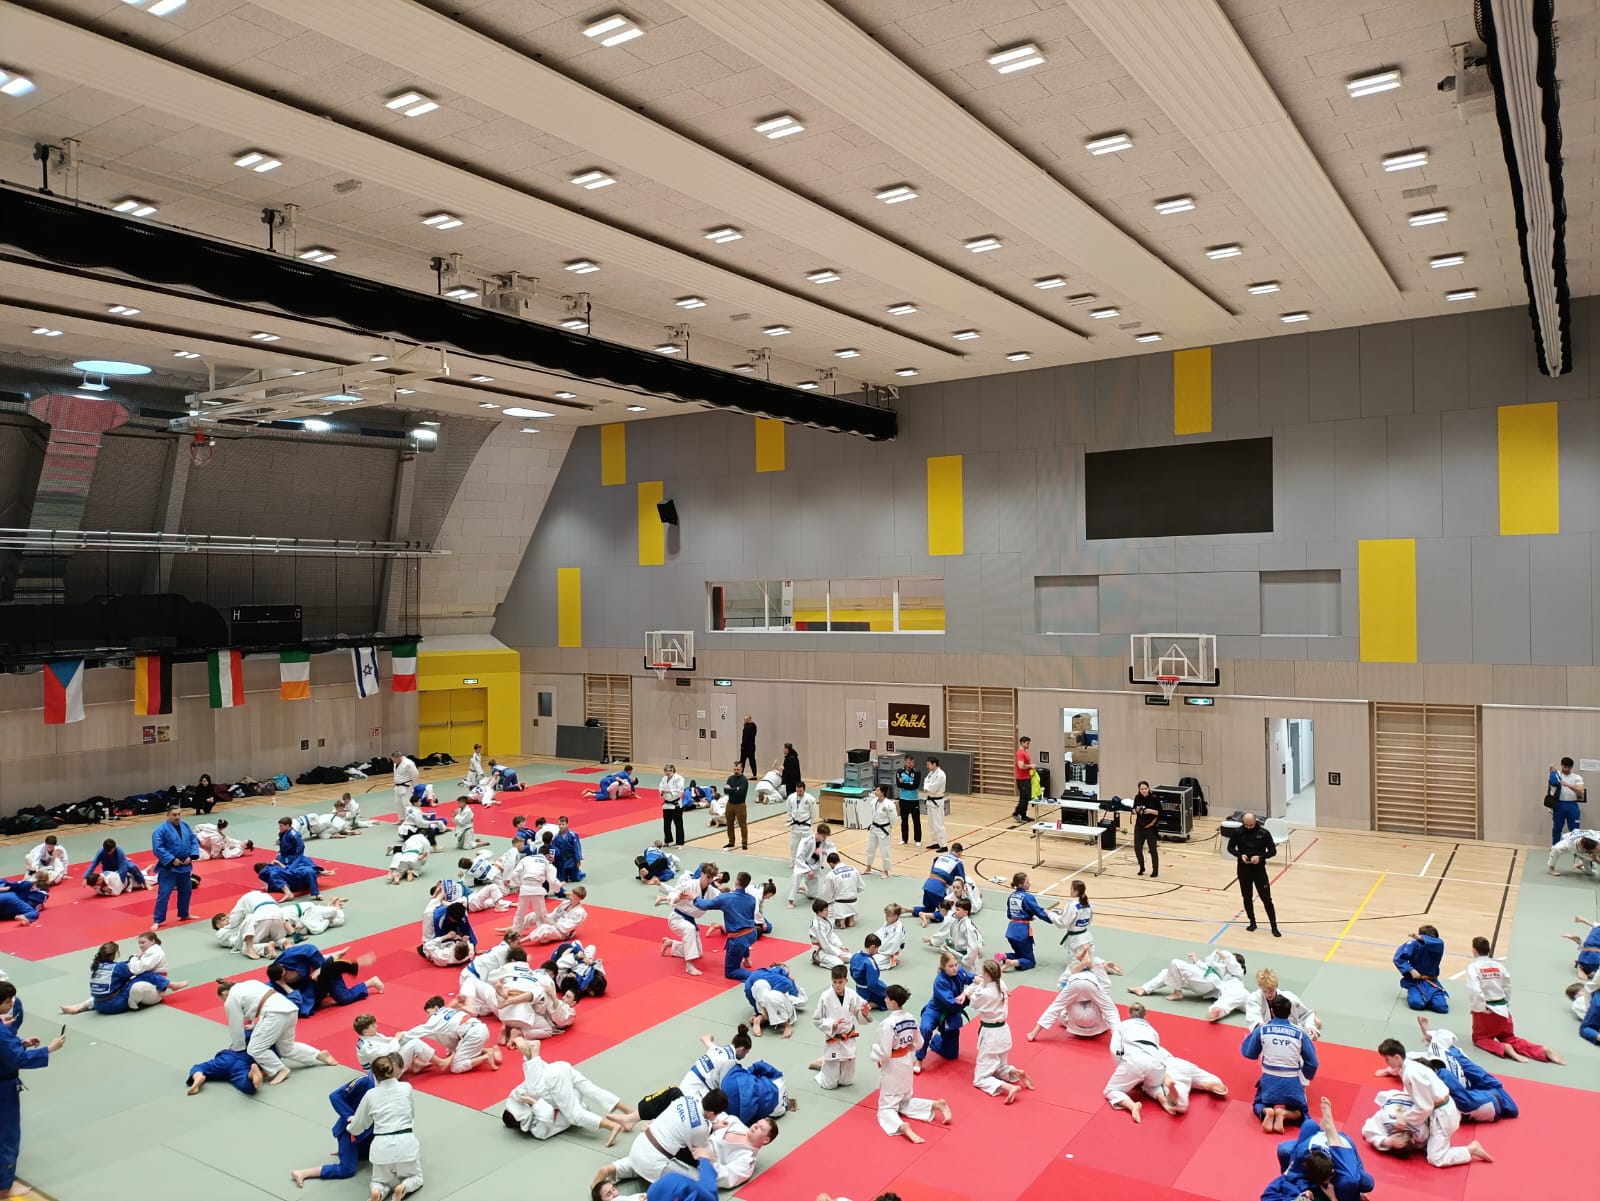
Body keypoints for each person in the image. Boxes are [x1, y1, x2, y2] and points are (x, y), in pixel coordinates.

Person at [1369, 1038, 1492, 1166]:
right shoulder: (1409, 1064)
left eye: (1387, 1059)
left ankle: (1471, 1149)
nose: (1386, 1063)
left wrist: (1404, 1119)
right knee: (1427, 1144)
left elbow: (1425, 1107)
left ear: (1397, 1057)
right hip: (1441, 1108)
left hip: (1443, 1114)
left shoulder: (1411, 1074)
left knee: (1435, 1158)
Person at [502, 1036, 637, 1143]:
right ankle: (630, 1113)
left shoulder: (526, 1102)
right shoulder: (536, 1128)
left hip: (554, 1077)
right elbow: (547, 1111)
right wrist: (532, 1101)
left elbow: (545, 1105)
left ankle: (613, 1126)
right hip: (559, 1071)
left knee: (572, 1113)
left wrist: (532, 1101)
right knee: (592, 1090)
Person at [0, 981, 63, 1199]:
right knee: (7, 1136)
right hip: (3, 1089)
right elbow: (17, 1059)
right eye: (7, 1002)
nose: (10, 1005)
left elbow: (6, 1051)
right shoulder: (1, 1032)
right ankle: (4, 1188)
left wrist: (22, 1044)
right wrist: (49, 1049)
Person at [595, 1089, 725, 1189]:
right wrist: (713, 1159)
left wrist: (713, 1126)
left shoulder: (686, 1099)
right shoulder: (700, 1128)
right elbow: (698, 1154)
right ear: (711, 1113)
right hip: (654, 1162)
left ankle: (615, 1168)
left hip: (639, 1145)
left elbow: (689, 1123)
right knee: (700, 1181)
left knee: (641, 1162)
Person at [217, 977, 337, 1084]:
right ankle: (319, 1054)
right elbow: (259, 1004)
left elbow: (235, 1025)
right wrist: (254, 1025)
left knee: (255, 1049)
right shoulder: (250, 983)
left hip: (274, 1014)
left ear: (224, 993)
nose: (224, 1002)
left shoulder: (231, 998)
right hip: (290, 1009)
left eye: (222, 999)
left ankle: (280, 1069)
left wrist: (238, 1047)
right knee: (286, 1048)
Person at [871, 984, 952, 1141]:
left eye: (887, 998)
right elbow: (919, 1043)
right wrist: (908, 1048)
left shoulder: (888, 1023)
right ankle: (935, 1105)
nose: (885, 1000)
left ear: (893, 1002)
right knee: (903, 1102)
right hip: (907, 1062)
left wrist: (874, 1051)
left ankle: (902, 1126)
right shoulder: (910, 1017)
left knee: (886, 1108)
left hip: (893, 1067)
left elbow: (885, 1053)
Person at [1464, 936, 1562, 1062]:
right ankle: (1541, 1050)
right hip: (1503, 1011)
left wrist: (1480, 1008)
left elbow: (1474, 989)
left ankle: (1503, 1048)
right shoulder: (1499, 966)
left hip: (1486, 1012)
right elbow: (1507, 987)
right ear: (1488, 950)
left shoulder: (1474, 967)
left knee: (1479, 1039)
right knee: (1510, 1038)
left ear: (1474, 950)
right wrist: (1505, 1005)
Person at [1261, 1096, 1375, 1201]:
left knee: (1291, 1143)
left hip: (1319, 1146)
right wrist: (1333, 1197)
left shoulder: (1303, 1154)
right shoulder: (1345, 1168)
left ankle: (1326, 1129)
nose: (1326, 1182)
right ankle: (1329, 1129)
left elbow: (1269, 1193)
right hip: (1341, 1148)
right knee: (1356, 1182)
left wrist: (1301, 1188)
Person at [1405, 1018, 1519, 1121]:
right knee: (1507, 1104)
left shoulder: (1437, 1054)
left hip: (1470, 1088)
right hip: (1479, 1095)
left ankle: (1430, 1037)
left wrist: (1429, 1033)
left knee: (1459, 1062)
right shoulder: (1438, 1077)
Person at [345, 1051, 423, 1201]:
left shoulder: (370, 1095)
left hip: (381, 1146)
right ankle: (404, 1187)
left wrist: (351, 1128)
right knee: (416, 1177)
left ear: (374, 1075)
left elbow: (358, 1126)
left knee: (379, 1181)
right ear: (393, 1070)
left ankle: (378, 1192)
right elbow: (411, 1114)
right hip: (406, 1142)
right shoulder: (406, 1087)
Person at [289, 1068, 378, 1188]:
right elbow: (335, 1096)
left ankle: (344, 1150)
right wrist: (349, 1116)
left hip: (369, 1130)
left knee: (371, 1155)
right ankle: (303, 1172)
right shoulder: (365, 1081)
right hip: (350, 1131)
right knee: (347, 1170)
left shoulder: (391, 1086)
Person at [1243, 993, 1319, 1132]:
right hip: (1292, 1082)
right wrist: (1306, 1076)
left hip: (1268, 1081)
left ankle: (1266, 1111)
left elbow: (1249, 1053)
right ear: (1290, 1012)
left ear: (1272, 1011)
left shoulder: (1262, 1030)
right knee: (1302, 1112)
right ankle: (1285, 1114)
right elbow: (1313, 1063)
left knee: (1258, 1103)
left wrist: (1249, 1039)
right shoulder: (1300, 1033)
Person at [960, 959, 1033, 1103]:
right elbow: (981, 986)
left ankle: (1008, 1087)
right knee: (999, 1066)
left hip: (991, 1035)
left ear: (987, 974)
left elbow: (972, 1000)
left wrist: (970, 990)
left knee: (980, 1078)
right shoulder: (1002, 985)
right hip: (1004, 1032)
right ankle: (1014, 1072)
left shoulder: (985, 993)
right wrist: (980, 983)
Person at [59, 940, 185, 1015]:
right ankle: (170, 985)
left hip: (98, 1004)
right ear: (114, 955)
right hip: (114, 1005)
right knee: (145, 975)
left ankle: (78, 1007)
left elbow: (121, 969)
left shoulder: (96, 966)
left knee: (107, 990)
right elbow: (134, 970)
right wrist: (134, 957)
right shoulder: (118, 968)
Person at [1028, 944, 1122, 1041]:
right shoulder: (1097, 984)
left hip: (1075, 982)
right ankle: (1087, 964)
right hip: (1090, 985)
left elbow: (1056, 1004)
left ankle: (1084, 964)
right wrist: (1119, 1040)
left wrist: (1034, 1032)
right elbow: (1110, 1010)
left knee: (1059, 1005)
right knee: (1109, 1009)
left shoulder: (1073, 973)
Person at [1131, 948, 1249, 1022]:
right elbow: (1207, 968)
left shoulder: (1236, 975)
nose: (1223, 962)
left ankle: (1178, 992)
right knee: (1167, 972)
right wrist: (1196, 960)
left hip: (1208, 984)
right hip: (1206, 982)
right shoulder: (1221, 971)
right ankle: (1144, 989)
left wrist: (1224, 955)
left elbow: (1233, 966)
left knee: (1175, 963)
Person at [269, 943, 381, 1014]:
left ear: (282, 966)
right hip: (312, 987)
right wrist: (283, 984)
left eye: (286, 973)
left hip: (319, 974)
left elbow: (310, 949)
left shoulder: (288, 958)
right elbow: (296, 1002)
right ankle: (331, 958)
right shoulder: (276, 985)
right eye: (284, 978)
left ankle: (351, 964)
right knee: (344, 998)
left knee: (329, 970)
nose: (287, 977)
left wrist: (320, 968)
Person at [1104, 1001, 1167, 1123]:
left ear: (1129, 1013)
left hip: (1134, 1062)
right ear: (1145, 1015)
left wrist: (1122, 1064)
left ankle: (1132, 1106)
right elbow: (1157, 1049)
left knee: (1111, 1090)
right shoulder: (1153, 1030)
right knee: (1152, 1085)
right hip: (1157, 1065)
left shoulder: (1122, 1026)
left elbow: (1115, 1050)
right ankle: (1162, 1097)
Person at [811, 963, 871, 1090]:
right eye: (834, 982)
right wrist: (832, 1024)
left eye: (840, 982)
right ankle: (822, 1066)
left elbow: (859, 1012)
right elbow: (816, 1019)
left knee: (846, 1081)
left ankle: (824, 1062)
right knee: (829, 1085)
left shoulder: (852, 995)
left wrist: (865, 1013)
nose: (837, 985)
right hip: (834, 1038)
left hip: (848, 1038)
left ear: (846, 981)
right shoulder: (825, 997)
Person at [408, 996, 501, 1072]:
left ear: (436, 1008)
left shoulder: (436, 1018)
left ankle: (485, 1057)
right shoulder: (449, 1010)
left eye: (428, 1012)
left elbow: (419, 1031)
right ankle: (489, 1050)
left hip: (473, 1035)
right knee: (453, 1050)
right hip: (481, 1028)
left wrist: (403, 1035)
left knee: (456, 1066)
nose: (428, 1016)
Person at [694, 877, 760, 981]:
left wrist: (694, 898)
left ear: (736, 882)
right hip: (752, 934)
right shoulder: (752, 899)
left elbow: (704, 905)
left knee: (731, 971)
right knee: (743, 936)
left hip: (738, 940)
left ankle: (758, 977)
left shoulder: (726, 898)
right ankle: (746, 957)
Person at [1227, 812, 1281, 937]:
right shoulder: (1238, 832)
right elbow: (1230, 848)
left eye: (1251, 825)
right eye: (1246, 825)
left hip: (1259, 870)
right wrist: (1240, 855)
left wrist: (1260, 857)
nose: (1248, 827)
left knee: (1266, 899)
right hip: (1243, 869)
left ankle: (1274, 926)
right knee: (1247, 897)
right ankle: (1252, 922)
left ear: (1255, 821)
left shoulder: (1264, 833)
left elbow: (1273, 851)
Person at [918, 951, 973, 1066]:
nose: (955, 968)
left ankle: (934, 1040)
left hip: (951, 1014)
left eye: (956, 965)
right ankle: (919, 1059)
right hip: (935, 1010)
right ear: (943, 966)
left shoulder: (960, 972)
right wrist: (968, 998)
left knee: (952, 1054)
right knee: (926, 1028)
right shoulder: (940, 981)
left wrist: (980, 979)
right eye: (951, 966)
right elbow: (953, 1003)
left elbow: (972, 978)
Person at [151, 803, 201, 929]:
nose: (177, 817)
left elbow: (193, 840)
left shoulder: (185, 826)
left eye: (179, 814)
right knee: (164, 894)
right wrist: (172, 859)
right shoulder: (160, 831)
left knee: (186, 891)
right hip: (169, 868)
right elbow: (158, 848)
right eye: (174, 815)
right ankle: (158, 920)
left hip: (185, 865)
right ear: (167, 815)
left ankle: (184, 913)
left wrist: (192, 856)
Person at [660, 863, 714, 977]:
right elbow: (672, 893)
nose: (709, 880)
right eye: (708, 877)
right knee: (690, 929)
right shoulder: (689, 884)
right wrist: (677, 898)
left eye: (711, 878)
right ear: (702, 874)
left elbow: (721, 898)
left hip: (690, 920)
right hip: (677, 918)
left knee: (698, 953)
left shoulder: (710, 890)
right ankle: (689, 966)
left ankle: (671, 944)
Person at [999, 871, 1059, 972]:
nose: (1029, 884)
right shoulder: (1028, 897)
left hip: (1011, 931)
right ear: (1020, 884)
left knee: (1020, 954)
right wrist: (1054, 918)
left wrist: (1027, 917)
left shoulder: (1011, 896)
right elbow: (1039, 912)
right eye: (1027, 882)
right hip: (1022, 933)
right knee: (1030, 961)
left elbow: (1009, 915)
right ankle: (1011, 963)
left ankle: (1003, 956)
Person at [354, 1013, 447, 1077]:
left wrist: (400, 1038)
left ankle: (416, 1064)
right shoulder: (366, 1046)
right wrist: (396, 1039)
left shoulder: (370, 1036)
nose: (376, 1026)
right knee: (415, 1043)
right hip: (385, 1076)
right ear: (365, 1032)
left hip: (387, 1064)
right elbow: (386, 1054)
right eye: (373, 1026)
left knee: (405, 1036)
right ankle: (441, 1063)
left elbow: (388, 1042)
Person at [1245, 968, 1321, 1039]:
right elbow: (1254, 1020)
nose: (1268, 994)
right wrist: (1267, 1027)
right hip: (1267, 1035)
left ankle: (1314, 1017)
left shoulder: (1290, 998)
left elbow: (1306, 1015)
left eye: (1271, 990)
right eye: (1265, 991)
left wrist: (1310, 1027)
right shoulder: (1254, 999)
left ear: (1276, 986)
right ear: (1260, 987)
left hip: (1291, 1034)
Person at [1394, 926, 1449, 1012]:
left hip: (1431, 981)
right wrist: (1411, 970)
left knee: (1441, 1007)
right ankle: (1417, 995)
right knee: (1417, 1004)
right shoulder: (1414, 943)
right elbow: (1398, 958)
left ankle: (1431, 998)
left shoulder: (1438, 944)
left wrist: (1420, 937)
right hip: (1415, 982)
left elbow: (1438, 942)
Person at [923, 896, 983, 973]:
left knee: (966, 975)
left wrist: (966, 960)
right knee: (944, 949)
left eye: (958, 910)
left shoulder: (968, 926)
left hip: (966, 957)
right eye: (955, 909)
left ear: (965, 912)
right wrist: (950, 943)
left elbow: (973, 947)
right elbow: (956, 936)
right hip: (958, 951)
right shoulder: (957, 921)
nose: (955, 911)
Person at [744, 965, 806, 1038]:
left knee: (760, 986)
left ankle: (760, 1018)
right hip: (776, 1005)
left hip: (761, 1007)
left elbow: (751, 995)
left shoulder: (756, 978)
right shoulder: (779, 974)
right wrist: (792, 982)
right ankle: (786, 1025)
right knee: (771, 995)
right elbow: (789, 987)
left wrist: (756, 1012)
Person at [914, 844, 966, 925]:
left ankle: (906, 910)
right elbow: (962, 880)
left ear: (951, 850)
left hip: (927, 885)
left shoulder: (939, 857)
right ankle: (925, 915)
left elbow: (933, 872)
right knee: (946, 913)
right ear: (960, 853)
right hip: (937, 889)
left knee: (929, 909)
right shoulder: (957, 862)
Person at [186, 1043, 264, 1096]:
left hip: (227, 1057)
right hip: (245, 1063)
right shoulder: (266, 1040)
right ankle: (251, 1075)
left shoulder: (244, 1031)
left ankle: (198, 1077)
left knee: (199, 1068)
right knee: (247, 1086)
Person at [789, 823, 834, 908]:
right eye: (823, 836)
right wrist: (808, 870)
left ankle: (804, 889)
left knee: (813, 895)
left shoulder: (825, 843)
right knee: (796, 876)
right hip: (802, 866)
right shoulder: (806, 841)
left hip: (814, 868)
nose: (825, 839)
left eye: (826, 837)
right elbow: (799, 858)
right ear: (818, 833)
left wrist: (823, 851)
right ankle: (790, 901)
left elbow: (833, 852)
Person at [1549, 755, 1586, 844]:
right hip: (1559, 805)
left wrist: (1568, 785)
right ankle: (1555, 847)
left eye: (1568, 767)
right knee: (1557, 828)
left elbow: (1581, 791)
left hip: (1572, 805)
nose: (1566, 769)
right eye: (1564, 767)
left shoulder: (1577, 777)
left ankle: (1575, 848)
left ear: (1571, 767)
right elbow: (1552, 783)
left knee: (1575, 830)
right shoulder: (1556, 774)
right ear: (1561, 765)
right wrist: (1552, 771)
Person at [821, 853, 862, 927]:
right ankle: (851, 918)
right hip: (853, 902)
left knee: (826, 914)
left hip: (839, 904)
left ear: (831, 863)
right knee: (850, 905)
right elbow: (861, 887)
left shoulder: (831, 875)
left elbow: (827, 894)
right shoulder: (853, 869)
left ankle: (841, 920)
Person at [863, 784, 896, 878]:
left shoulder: (889, 804)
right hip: (874, 828)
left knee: (884, 851)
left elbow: (893, 818)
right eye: (876, 790)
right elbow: (873, 815)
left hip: (884, 829)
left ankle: (886, 871)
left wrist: (889, 828)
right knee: (870, 849)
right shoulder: (873, 801)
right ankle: (868, 867)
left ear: (883, 792)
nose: (875, 792)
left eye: (877, 790)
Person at [1132, 781, 1161, 878]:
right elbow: (1133, 809)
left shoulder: (1154, 798)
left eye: (1145, 788)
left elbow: (1160, 812)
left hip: (1151, 827)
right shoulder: (1137, 797)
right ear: (1139, 790)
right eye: (1142, 789)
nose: (1144, 790)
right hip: (1139, 827)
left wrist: (1151, 811)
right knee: (1137, 848)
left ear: (1148, 789)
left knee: (1152, 850)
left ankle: (1155, 870)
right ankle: (1142, 867)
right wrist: (1135, 810)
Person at [718, 763, 750, 852]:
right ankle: (731, 841)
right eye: (734, 769)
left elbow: (740, 793)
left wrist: (731, 789)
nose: (736, 771)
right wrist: (735, 789)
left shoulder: (744, 780)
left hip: (740, 805)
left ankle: (744, 843)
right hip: (730, 804)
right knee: (729, 824)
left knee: (742, 824)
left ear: (741, 769)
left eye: (738, 770)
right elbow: (725, 790)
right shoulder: (730, 778)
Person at [809, 899, 849, 969]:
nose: (828, 911)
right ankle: (818, 961)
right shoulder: (817, 926)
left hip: (829, 947)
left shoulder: (826, 919)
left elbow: (831, 934)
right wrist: (838, 954)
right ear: (819, 912)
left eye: (827, 909)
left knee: (849, 957)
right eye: (826, 910)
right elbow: (824, 944)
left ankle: (835, 957)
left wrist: (841, 946)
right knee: (839, 964)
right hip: (820, 951)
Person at [851, 935, 888, 1009]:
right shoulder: (869, 963)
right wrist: (885, 991)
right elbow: (873, 984)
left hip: (859, 990)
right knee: (890, 998)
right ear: (873, 947)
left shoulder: (855, 956)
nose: (877, 951)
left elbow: (852, 973)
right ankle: (872, 1004)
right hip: (869, 992)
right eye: (877, 948)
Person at [922, 756, 949, 852]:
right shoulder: (931, 773)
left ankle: (943, 845)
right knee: (931, 824)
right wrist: (927, 786)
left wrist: (927, 786)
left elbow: (933, 789)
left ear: (934, 764)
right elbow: (925, 783)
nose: (927, 766)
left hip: (937, 801)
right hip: (930, 801)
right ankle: (936, 842)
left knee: (938, 824)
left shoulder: (940, 775)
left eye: (928, 764)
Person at [786, 782, 815, 869]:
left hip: (806, 825)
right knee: (793, 845)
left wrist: (810, 822)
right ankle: (794, 861)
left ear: (804, 790)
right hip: (795, 825)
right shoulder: (791, 797)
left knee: (808, 845)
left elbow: (813, 812)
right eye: (797, 791)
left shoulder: (810, 799)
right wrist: (791, 817)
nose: (799, 793)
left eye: (801, 791)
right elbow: (789, 809)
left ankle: (807, 862)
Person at [1561, 913, 1600, 977]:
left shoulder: (1598, 926)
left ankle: (1579, 942)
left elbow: (1587, 921)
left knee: (1587, 947)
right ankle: (1580, 967)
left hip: (1588, 948)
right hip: (1593, 960)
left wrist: (1581, 919)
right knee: (1591, 972)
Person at [895, 755, 922, 846]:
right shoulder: (899, 772)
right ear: (905, 762)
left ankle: (917, 840)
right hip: (903, 799)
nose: (911, 764)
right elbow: (899, 784)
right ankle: (904, 839)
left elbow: (915, 786)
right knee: (904, 821)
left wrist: (905, 784)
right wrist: (909, 784)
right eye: (909, 762)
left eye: (912, 762)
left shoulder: (917, 772)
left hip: (914, 800)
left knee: (916, 821)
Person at [659, 764, 687, 847]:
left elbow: (680, 790)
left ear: (672, 771)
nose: (667, 773)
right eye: (665, 771)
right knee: (666, 824)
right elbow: (661, 787)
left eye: (668, 771)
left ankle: (680, 843)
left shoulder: (679, 778)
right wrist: (662, 791)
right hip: (666, 804)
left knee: (678, 824)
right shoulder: (664, 778)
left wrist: (669, 791)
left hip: (676, 805)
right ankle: (667, 841)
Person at [1010, 736, 1033, 823]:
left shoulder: (1025, 752)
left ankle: (1023, 816)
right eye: (1027, 743)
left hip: (1026, 778)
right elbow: (1021, 766)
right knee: (1026, 797)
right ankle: (1016, 813)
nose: (1028, 745)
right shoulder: (1020, 753)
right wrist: (1030, 766)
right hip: (1022, 779)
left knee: (1024, 797)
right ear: (1022, 743)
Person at [391, 750, 420, 814]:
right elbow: (397, 774)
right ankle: (402, 818)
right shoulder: (396, 763)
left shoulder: (409, 763)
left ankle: (411, 818)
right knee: (399, 804)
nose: (393, 761)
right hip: (398, 786)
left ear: (399, 757)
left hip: (406, 786)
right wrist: (396, 781)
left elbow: (415, 774)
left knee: (407, 804)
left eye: (394, 760)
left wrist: (414, 784)